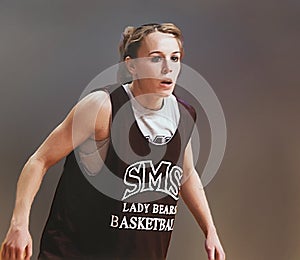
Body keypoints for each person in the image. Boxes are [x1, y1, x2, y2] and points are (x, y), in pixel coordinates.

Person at [1, 23, 225, 260]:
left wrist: (210, 230)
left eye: (175, 58)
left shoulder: (183, 115)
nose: (168, 68)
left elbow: (186, 174)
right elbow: (39, 160)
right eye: (156, 59)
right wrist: (19, 224)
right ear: (132, 65)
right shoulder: (103, 106)